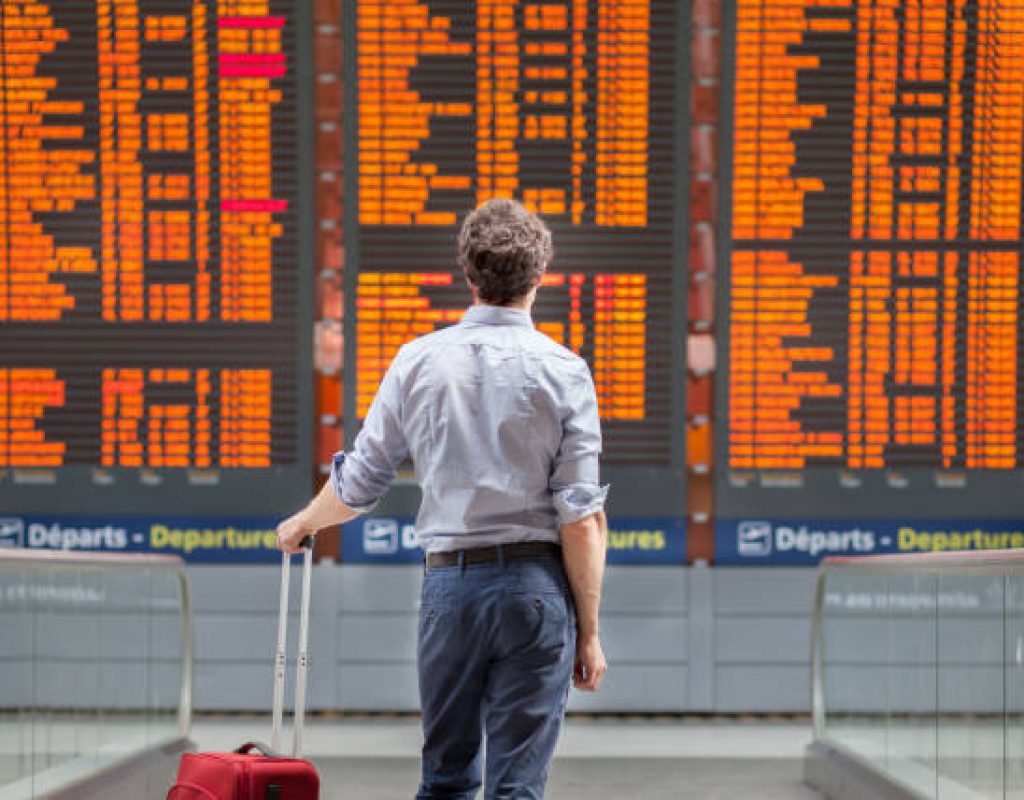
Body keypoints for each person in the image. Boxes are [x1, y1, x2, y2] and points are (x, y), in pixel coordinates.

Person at [276, 197, 609, 799]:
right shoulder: (566, 371)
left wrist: (302, 522)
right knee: (517, 789)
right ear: (539, 277)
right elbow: (581, 519)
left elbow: (359, 484)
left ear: (468, 273)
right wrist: (587, 632)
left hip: (451, 591)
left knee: (446, 780)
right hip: (536, 594)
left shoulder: (418, 362)